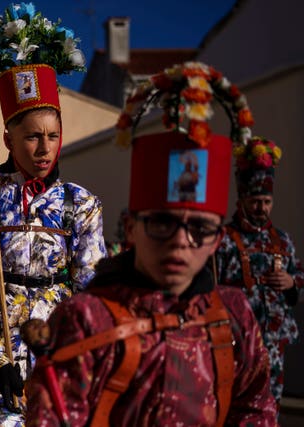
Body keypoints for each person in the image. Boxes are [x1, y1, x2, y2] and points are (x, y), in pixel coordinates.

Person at [24, 61, 277, 426]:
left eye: (200, 229)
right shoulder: (86, 320)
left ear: (218, 239)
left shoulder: (234, 316)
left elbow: (256, 411)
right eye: (161, 222)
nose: (179, 242)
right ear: (130, 227)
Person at [0, 3, 106, 425]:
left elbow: (93, 294)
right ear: (9, 138)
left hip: (58, 363)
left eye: (53, 136)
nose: (44, 148)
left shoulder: (81, 204)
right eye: (32, 137)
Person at [217, 136, 303, 405]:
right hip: (236, 343)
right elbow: (211, 287)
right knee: (235, 405)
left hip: (275, 345)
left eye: (267, 201)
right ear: (242, 199)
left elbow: (299, 274)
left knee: (270, 405)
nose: (261, 208)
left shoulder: (283, 240)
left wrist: (291, 282)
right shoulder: (225, 240)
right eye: (255, 201)